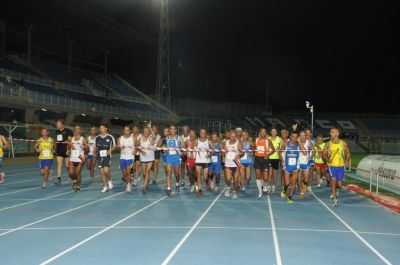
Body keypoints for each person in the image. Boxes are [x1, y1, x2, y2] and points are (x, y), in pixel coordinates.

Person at [323, 127, 351, 207]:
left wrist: (347, 160)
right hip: (332, 166)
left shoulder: (343, 143)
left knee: (340, 185)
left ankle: (336, 189)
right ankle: (335, 200)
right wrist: (327, 159)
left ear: (337, 133)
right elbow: (324, 154)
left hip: (341, 166)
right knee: (333, 180)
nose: (330, 133)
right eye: (330, 132)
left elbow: (348, 153)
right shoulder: (328, 144)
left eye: (332, 132)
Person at [280, 131, 307, 203]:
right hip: (287, 166)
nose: (294, 138)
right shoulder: (286, 144)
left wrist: (300, 143)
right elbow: (280, 152)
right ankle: (284, 190)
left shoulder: (299, 145)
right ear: (290, 137)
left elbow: (305, 153)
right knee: (287, 183)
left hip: (295, 167)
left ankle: (290, 197)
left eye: (296, 137)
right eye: (293, 137)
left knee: (294, 182)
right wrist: (282, 160)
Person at [164, 125, 185, 196]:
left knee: (176, 174)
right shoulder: (167, 138)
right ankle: (168, 189)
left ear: (176, 130)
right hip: (169, 157)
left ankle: (177, 184)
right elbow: (166, 147)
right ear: (170, 130)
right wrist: (165, 148)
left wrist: (179, 148)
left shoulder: (179, 138)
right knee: (168, 173)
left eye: (173, 129)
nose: (172, 130)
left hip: (176, 157)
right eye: (171, 129)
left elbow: (184, 147)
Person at [94, 123, 116, 193]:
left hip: (107, 156)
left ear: (106, 129)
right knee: (102, 172)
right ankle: (105, 186)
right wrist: (94, 151)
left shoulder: (110, 137)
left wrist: (110, 150)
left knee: (106, 171)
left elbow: (114, 146)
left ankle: (109, 180)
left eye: (102, 128)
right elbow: (96, 147)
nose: (101, 129)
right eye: (100, 128)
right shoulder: (97, 138)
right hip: (100, 157)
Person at [254, 128, 275, 198]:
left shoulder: (268, 140)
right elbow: (254, 149)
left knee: (265, 177)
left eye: (264, 132)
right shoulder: (256, 140)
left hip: (265, 159)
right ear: (260, 132)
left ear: (266, 133)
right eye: (261, 131)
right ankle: (260, 192)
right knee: (258, 175)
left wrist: (268, 154)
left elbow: (273, 150)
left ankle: (265, 185)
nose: (263, 133)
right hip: (257, 159)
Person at [224, 130, 244, 199]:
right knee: (228, 179)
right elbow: (225, 151)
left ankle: (234, 192)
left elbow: (243, 152)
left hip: (236, 164)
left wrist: (240, 155)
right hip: (228, 164)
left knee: (235, 180)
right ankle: (228, 188)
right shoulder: (226, 142)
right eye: (232, 136)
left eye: (234, 136)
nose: (233, 137)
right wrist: (224, 157)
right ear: (229, 136)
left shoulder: (238, 143)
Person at [67, 126, 87, 192]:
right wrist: (68, 150)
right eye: (75, 129)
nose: (76, 130)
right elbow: (69, 147)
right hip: (72, 159)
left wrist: (84, 147)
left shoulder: (82, 139)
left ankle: (78, 186)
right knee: (71, 173)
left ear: (80, 131)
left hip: (80, 159)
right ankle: (75, 180)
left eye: (78, 129)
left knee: (77, 173)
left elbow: (87, 147)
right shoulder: (71, 139)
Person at [54, 119, 73, 186]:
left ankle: (71, 176)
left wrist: (69, 150)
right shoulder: (57, 131)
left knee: (67, 166)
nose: (57, 125)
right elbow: (57, 141)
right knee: (59, 165)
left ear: (62, 125)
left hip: (66, 150)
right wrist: (54, 148)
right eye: (57, 124)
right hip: (59, 150)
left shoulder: (68, 131)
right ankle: (59, 179)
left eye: (58, 124)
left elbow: (70, 141)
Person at [138, 123, 156, 193]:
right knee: (144, 173)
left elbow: (154, 136)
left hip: (150, 158)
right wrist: (141, 151)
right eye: (145, 131)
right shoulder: (140, 138)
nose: (146, 132)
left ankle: (144, 186)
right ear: (143, 131)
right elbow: (138, 147)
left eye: (147, 131)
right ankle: (147, 181)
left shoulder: (150, 137)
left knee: (147, 171)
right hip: (143, 158)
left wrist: (150, 127)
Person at [298, 131, 314, 198]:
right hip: (298, 161)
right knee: (299, 178)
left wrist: (311, 156)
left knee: (306, 179)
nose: (303, 137)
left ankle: (304, 185)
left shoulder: (308, 142)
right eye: (301, 135)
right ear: (299, 136)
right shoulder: (297, 142)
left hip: (306, 161)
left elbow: (313, 150)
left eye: (304, 135)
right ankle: (301, 191)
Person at [118, 125, 134, 193]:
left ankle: (128, 186)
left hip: (130, 157)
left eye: (127, 130)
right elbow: (118, 147)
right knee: (124, 174)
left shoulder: (133, 138)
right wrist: (120, 148)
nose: (126, 131)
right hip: (122, 158)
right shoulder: (120, 138)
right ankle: (127, 181)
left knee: (128, 172)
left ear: (130, 131)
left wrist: (135, 151)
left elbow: (136, 147)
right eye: (125, 130)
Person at [195, 128, 211, 197]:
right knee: (198, 176)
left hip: (206, 161)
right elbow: (192, 148)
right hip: (198, 160)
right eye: (201, 133)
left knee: (205, 177)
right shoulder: (196, 141)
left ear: (205, 134)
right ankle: (200, 190)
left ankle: (207, 181)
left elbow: (214, 149)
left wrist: (209, 154)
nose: (202, 134)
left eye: (204, 133)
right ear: (199, 133)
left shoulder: (208, 141)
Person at [268, 127, 281, 193]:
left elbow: (281, 148)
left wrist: (279, 149)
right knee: (270, 174)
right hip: (270, 158)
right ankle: (269, 186)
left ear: (276, 132)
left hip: (276, 158)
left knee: (275, 175)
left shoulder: (279, 139)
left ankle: (273, 187)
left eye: (275, 131)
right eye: (272, 131)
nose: (273, 132)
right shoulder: (268, 139)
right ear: (271, 132)